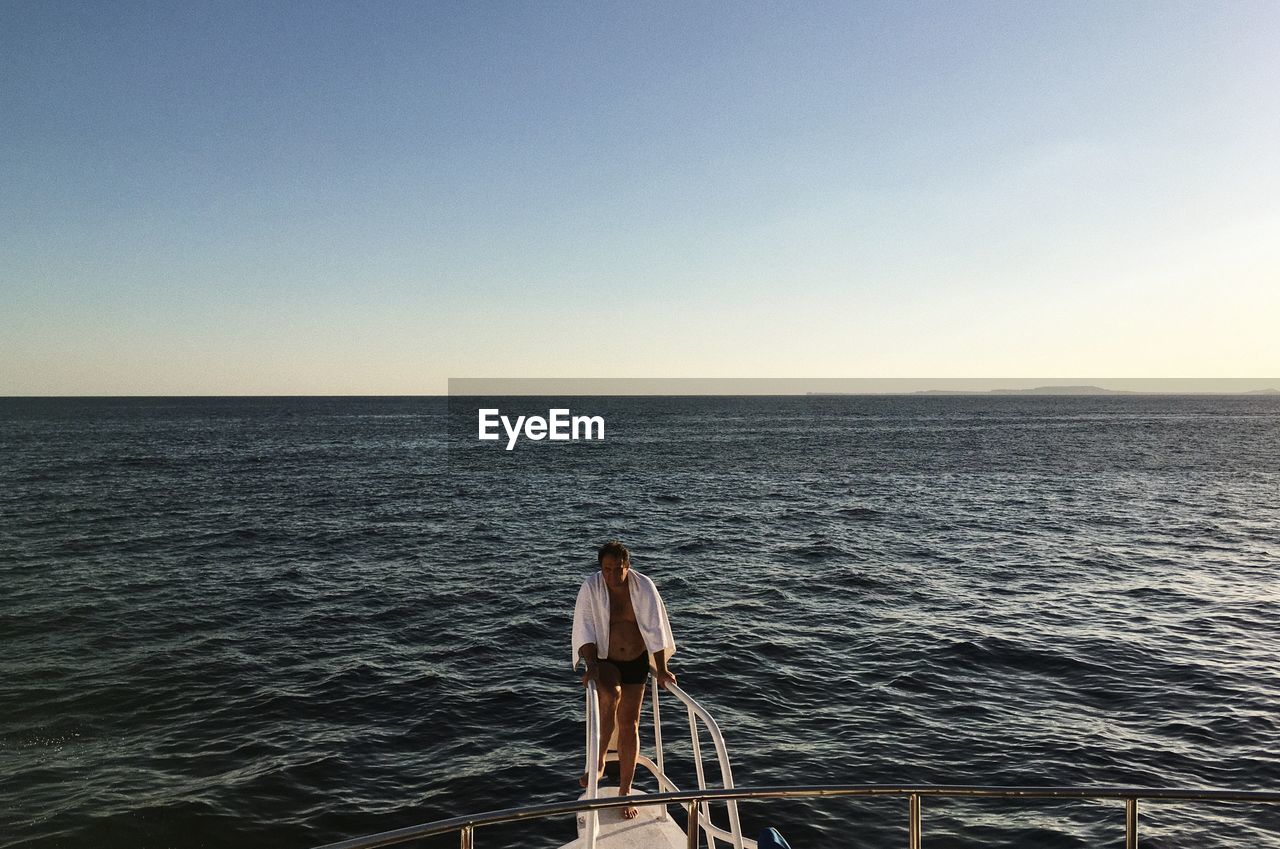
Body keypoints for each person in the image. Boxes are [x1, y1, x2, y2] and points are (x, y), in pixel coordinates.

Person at [572, 540, 677, 819]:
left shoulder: (644, 588)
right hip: (607, 660)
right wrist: (592, 664)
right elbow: (584, 629)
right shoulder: (591, 587)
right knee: (611, 695)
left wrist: (662, 669)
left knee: (630, 724)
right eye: (606, 569)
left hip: (636, 661)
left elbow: (655, 630)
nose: (611, 576)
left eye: (617, 569)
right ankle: (599, 761)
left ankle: (625, 791)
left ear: (627, 566)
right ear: (600, 568)